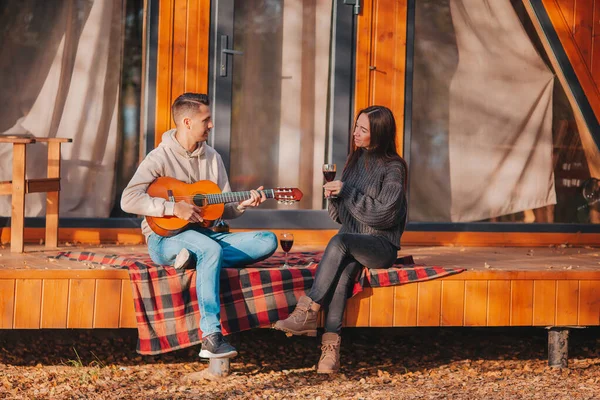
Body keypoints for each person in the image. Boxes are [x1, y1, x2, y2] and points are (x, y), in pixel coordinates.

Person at [121, 93, 277, 359]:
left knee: (267, 240)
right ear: (186, 122)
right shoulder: (158, 158)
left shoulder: (213, 158)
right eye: (206, 120)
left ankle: (197, 258)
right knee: (210, 250)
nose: (211, 125)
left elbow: (223, 209)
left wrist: (242, 204)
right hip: (165, 239)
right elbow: (128, 199)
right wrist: (172, 208)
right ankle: (211, 338)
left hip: (203, 234)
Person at [273, 105, 408, 373]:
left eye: (363, 129)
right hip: (353, 242)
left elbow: (385, 216)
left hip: (381, 246)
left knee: (340, 241)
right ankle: (330, 353)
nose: (355, 133)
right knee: (342, 276)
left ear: (379, 134)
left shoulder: (394, 168)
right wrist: (335, 197)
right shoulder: (355, 161)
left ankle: (308, 309)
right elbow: (341, 217)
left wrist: (347, 192)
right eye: (356, 126)